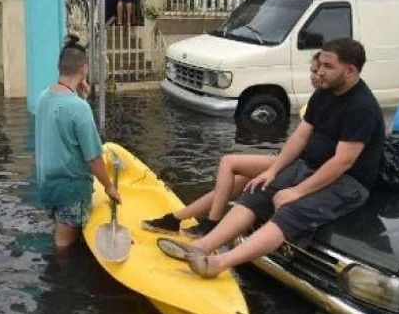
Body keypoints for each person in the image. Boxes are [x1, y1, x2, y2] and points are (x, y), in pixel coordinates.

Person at [156, 39, 385, 278]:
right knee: (258, 189)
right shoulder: (324, 93)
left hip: (348, 182)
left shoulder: (362, 108)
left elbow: (342, 162)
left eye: (328, 66)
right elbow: (299, 137)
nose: (320, 71)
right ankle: (201, 247)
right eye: (320, 65)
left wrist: (298, 191)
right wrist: (273, 171)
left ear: (350, 70)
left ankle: (219, 263)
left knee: (291, 210)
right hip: (310, 167)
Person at [144, 54, 323, 236]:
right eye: (313, 71)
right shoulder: (318, 98)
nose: (315, 76)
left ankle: (212, 223)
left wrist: (277, 164)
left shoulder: (324, 102)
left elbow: (307, 144)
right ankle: (175, 219)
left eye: (319, 71)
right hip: (287, 157)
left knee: (229, 163)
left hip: (296, 164)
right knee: (232, 185)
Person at [35, 35, 121, 248]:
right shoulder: (79, 109)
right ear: (84, 69)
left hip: (47, 186)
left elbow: (63, 129)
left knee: (58, 233)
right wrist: (109, 187)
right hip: (70, 192)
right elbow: (93, 158)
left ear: (60, 67)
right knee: (64, 248)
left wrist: (81, 98)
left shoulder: (43, 97)